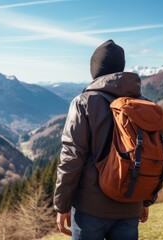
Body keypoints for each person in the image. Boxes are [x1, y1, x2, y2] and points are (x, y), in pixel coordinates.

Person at [54, 39, 149, 240]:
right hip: (130, 203)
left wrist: (62, 205)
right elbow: (152, 155)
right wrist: (145, 200)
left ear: (95, 70)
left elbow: (71, 157)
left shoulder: (84, 103)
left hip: (90, 209)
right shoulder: (144, 104)